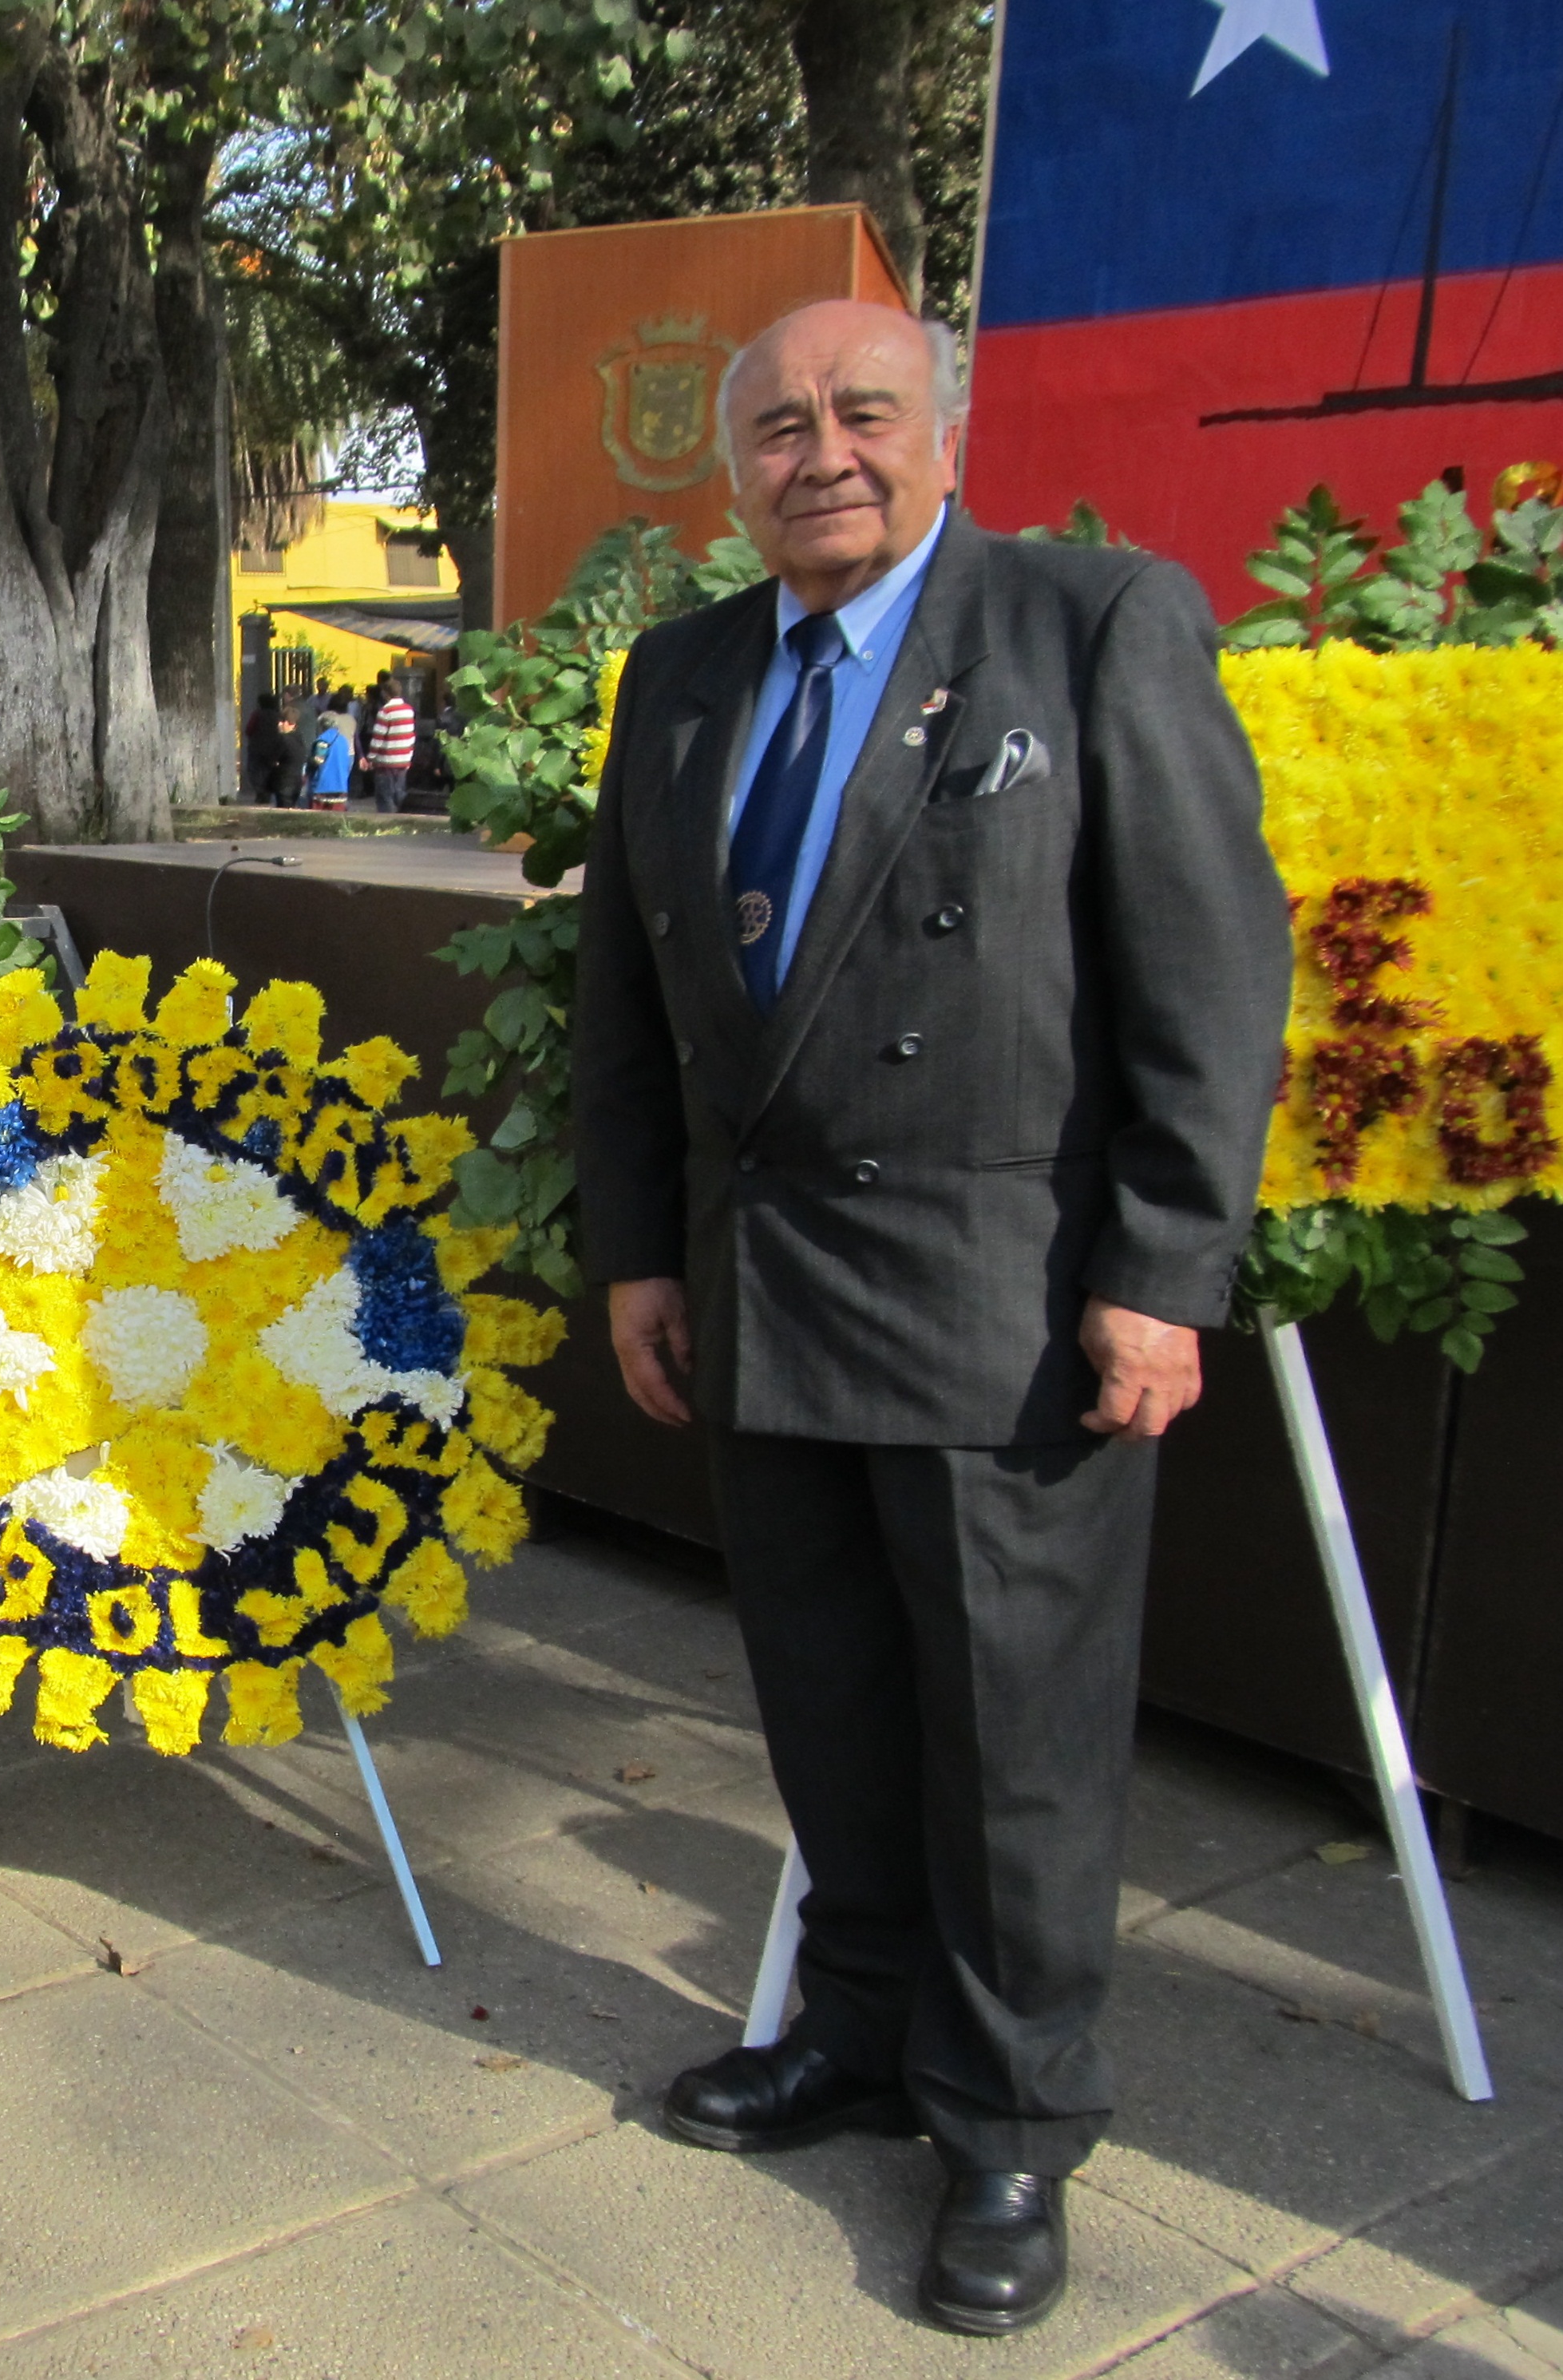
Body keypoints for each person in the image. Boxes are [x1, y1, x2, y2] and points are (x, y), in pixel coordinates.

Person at [571, 301, 1289, 2337]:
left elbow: (1208, 971)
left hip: (1008, 1299)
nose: (823, 453)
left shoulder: (1089, 624)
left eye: (862, 412)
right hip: (763, 1283)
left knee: (1013, 1744)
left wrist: (1163, 1270)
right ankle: (860, 2028)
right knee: (828, 1701)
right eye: (779, 427)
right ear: (735, 472)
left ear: (942, 435)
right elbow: (631, 997)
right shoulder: (683, 672)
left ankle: (1011, 2122)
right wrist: (641, 1249)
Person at [365, 675, 415, 813]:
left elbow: (378, 738)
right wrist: (409, 756)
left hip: (386, 761)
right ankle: (403, 817)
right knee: (399, 793)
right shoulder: (408, 710)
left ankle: (388, 821)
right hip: (403, 759)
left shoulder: (385, 711)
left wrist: (371, 758)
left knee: (384, 796)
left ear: (385, 693)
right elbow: (411, 736)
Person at [243, 691, 299, 806]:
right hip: (273, 747)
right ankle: (267, 791)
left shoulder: (257, 714)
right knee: (269, 770)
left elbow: (249, 730)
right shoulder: (277, 715)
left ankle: (261, 793)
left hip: (257, 748)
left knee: (256, 771)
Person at [308, 690, 355, 805]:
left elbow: (318, 760)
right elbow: (355, 737)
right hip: (348, 753)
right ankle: (342, 804)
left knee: (324, 777)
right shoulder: (351, 719)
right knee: (341, 780)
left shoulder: (326, 717)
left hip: (329, 750)